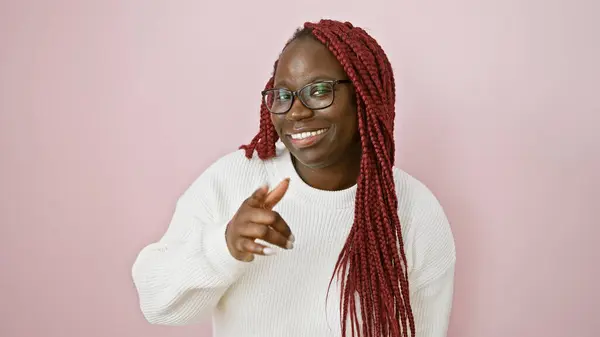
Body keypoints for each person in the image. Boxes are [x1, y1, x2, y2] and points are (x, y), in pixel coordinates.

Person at [131, 19, 456, 337]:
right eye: (283, 95)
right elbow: (157, 305)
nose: (297, 111)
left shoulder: (416, 212)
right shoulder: (233, 180)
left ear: (364, 98)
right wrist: (225, 247)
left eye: (318, 91)